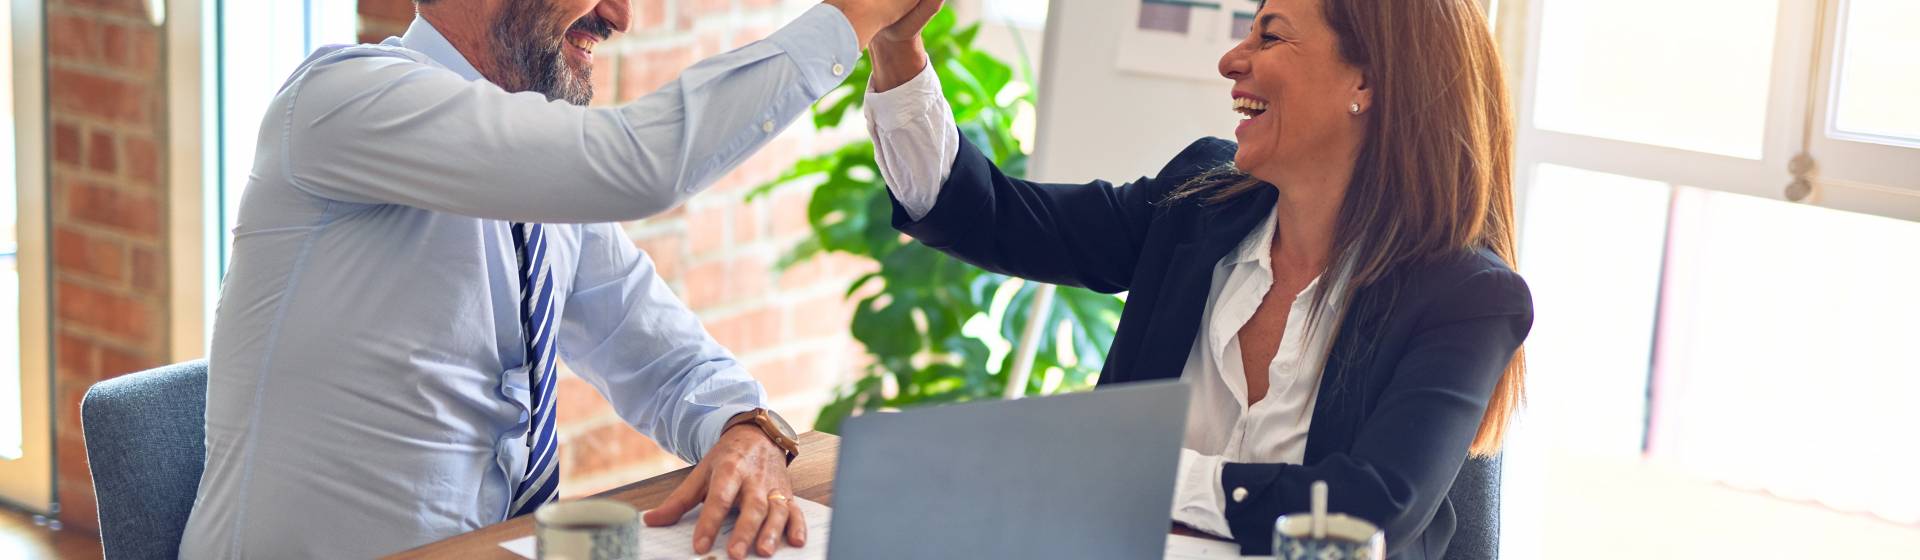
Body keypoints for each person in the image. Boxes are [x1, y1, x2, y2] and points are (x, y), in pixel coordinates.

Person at [180, 0, 938, 558]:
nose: (620, 14)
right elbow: (638, 165)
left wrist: (746, 429)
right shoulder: (341, 100)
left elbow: (661, 358)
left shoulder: (538, 184)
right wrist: (853, 16)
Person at [861, 0, 1532, 557]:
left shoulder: (1466, 298)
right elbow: (992, 218)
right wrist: (896, 50)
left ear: (1367, 83)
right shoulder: (1200, 203)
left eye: (1271, 36)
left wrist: (1136, 474)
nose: (1231, 60)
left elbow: (1367, 514)